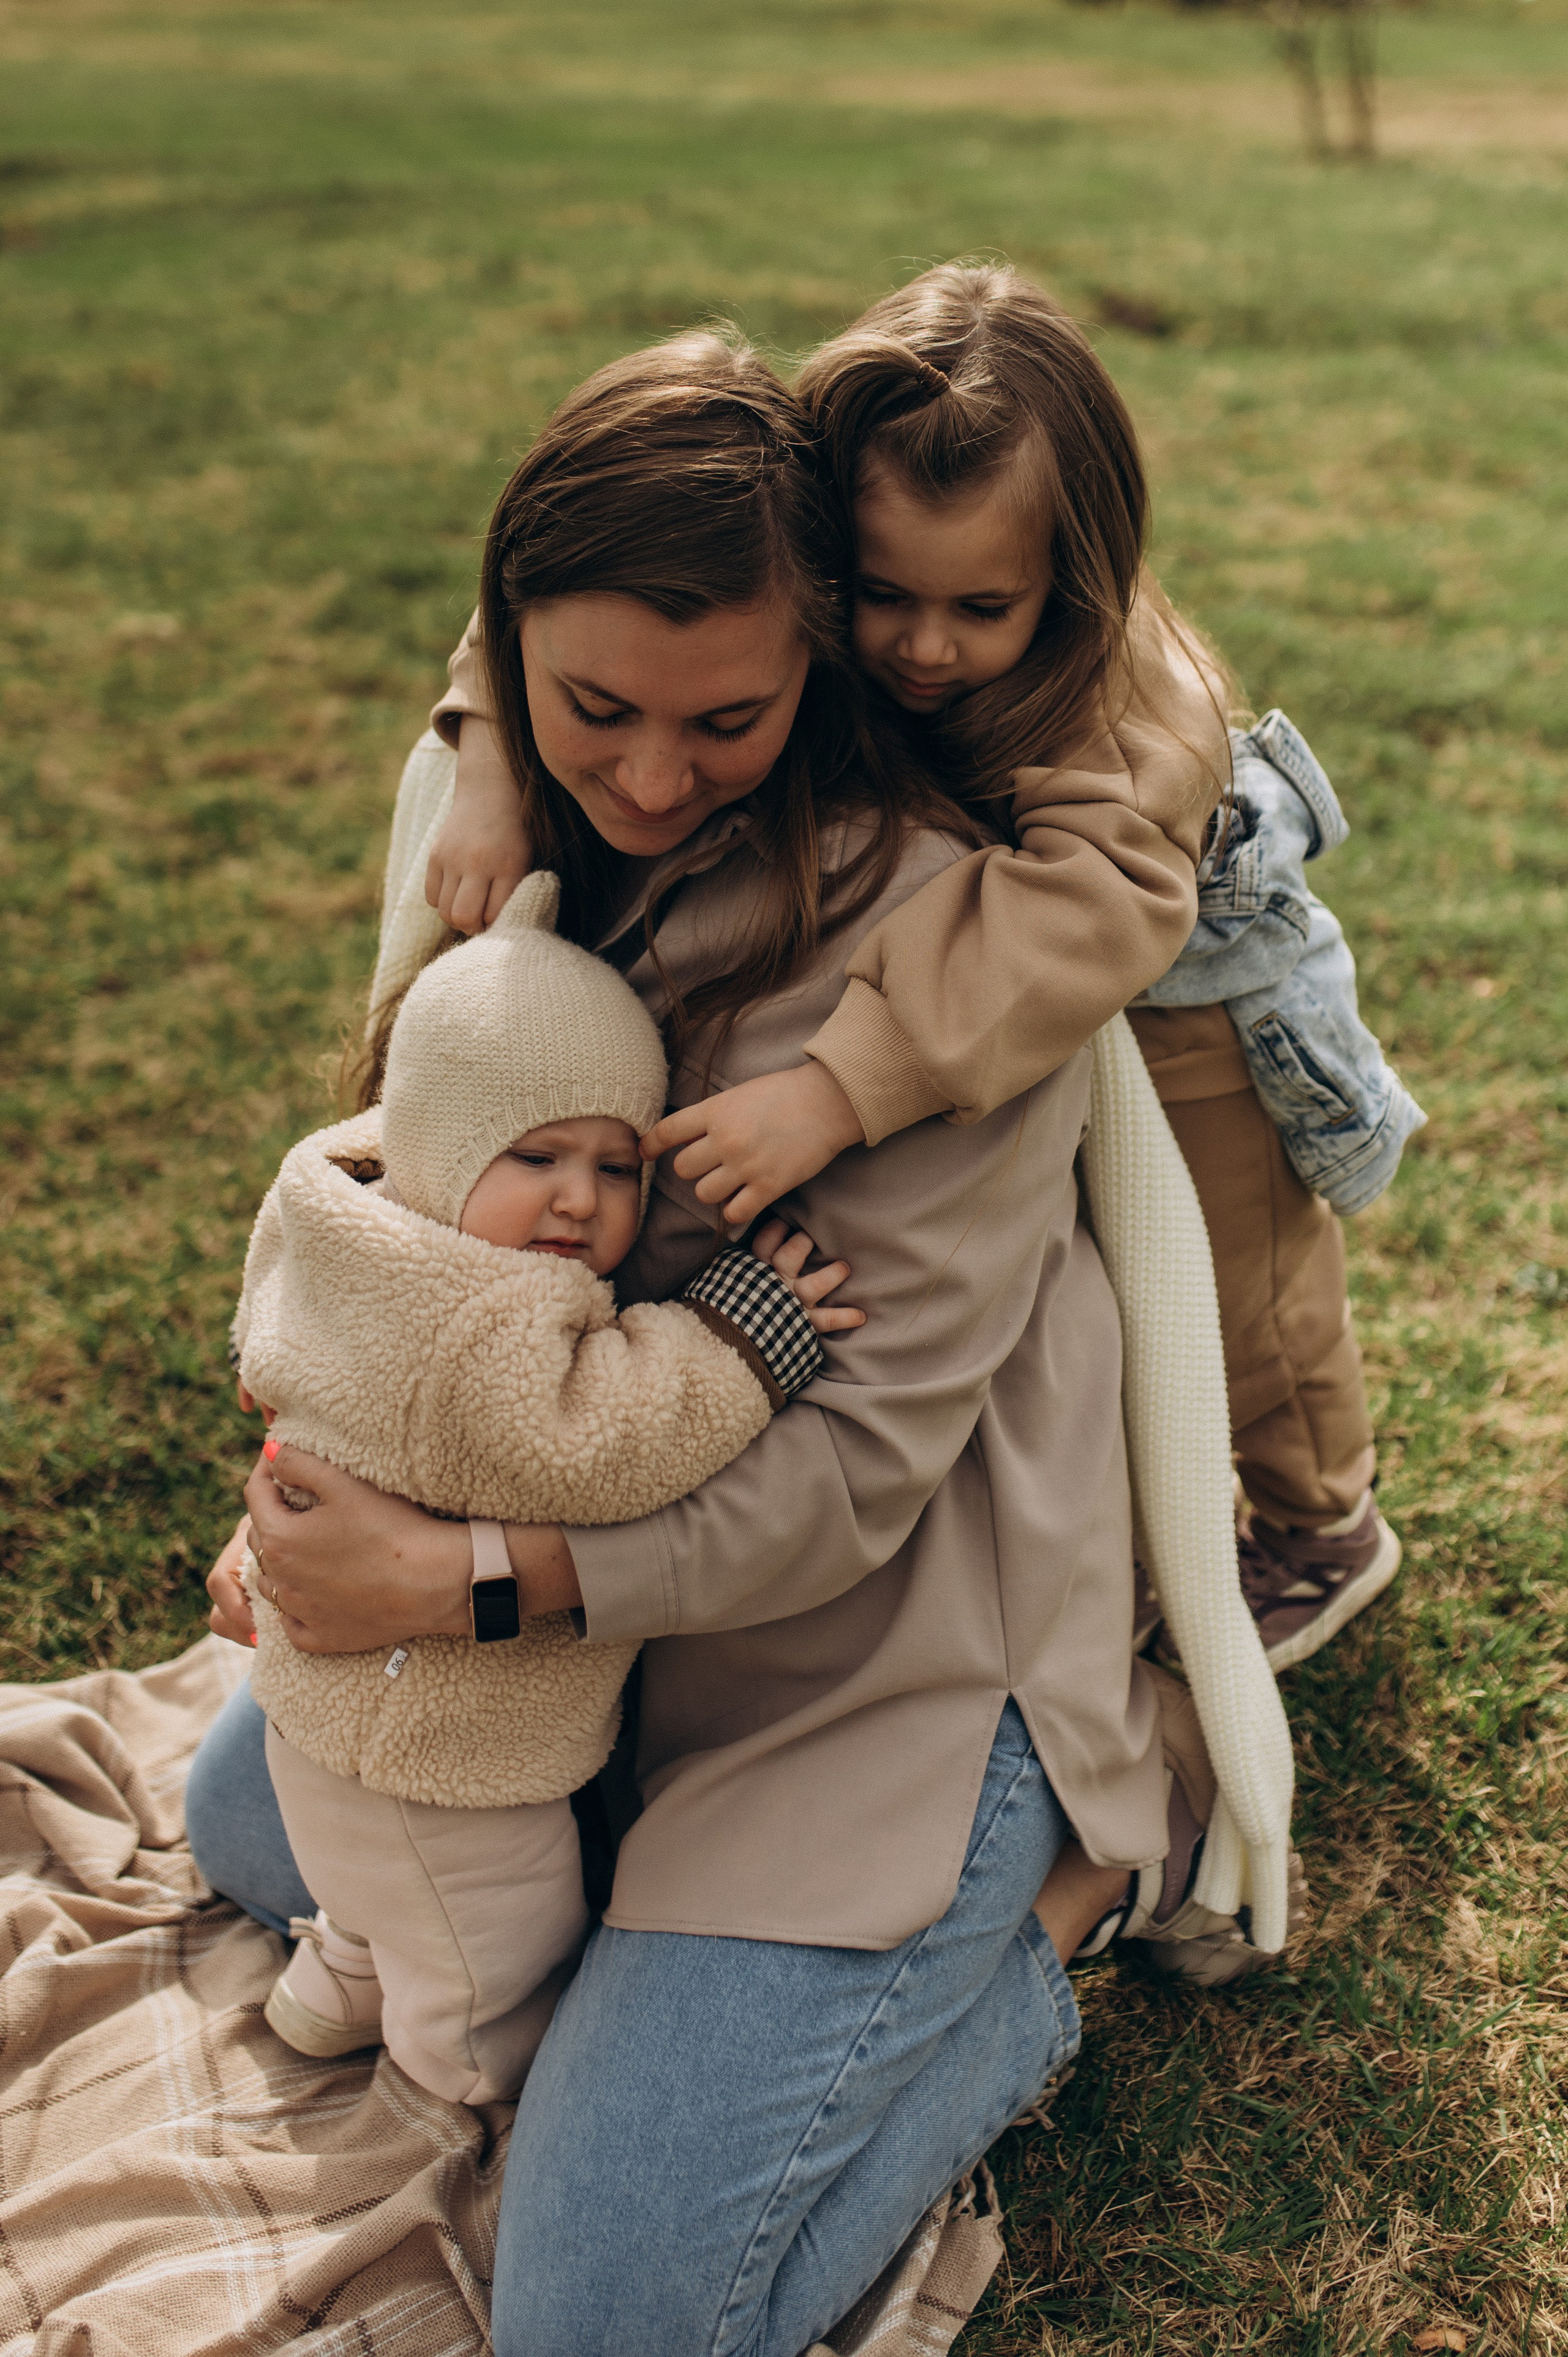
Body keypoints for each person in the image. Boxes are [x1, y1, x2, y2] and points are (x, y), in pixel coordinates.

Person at [184, 328, 1246, 2356]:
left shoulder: (948, 963)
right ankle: (632, 1955)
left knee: (603, 2318)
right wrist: (346, 1488)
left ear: (825, 660)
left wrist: (460, 1579)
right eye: (591, 707)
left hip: (877, 1645)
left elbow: (841, 1479)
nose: (658, 770)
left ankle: (1060, 1899)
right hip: (602, 1604)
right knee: (250, 1813)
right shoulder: (546, 839)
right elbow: (430, 1229)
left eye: (727, 717)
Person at [424, 261, 1420, 1676]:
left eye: (979, 609)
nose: (920, 647)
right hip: (1001, 968)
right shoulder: (816, 546)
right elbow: (580, 557)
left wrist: (837, 1088)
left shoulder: (1131, 701)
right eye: (883, 595)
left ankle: (1321, 1519)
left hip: (1181, 980)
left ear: (1070, 581)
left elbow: (1079, 908)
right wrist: (482, 746)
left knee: (1230, 1284)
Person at [232, 870, 854, 2100]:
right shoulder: (476, 1325)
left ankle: (334, 1987)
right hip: (443, 1760)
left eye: (618, 1167)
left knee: (373, 1910)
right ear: (438, 1146)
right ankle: (456, 2098)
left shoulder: (338, 1219)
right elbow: (597, 1439)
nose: (579, 1199)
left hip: (321, 1720)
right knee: (493, 1962)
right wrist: (742, 1335)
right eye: (537, 1157)